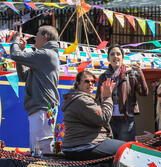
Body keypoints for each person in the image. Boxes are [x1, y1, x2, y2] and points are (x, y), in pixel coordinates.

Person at [10, 25, 60, 155]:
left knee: (42, 149)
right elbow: (23, 77)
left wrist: (15, 41)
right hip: (42, 106)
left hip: (43, 106)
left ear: (44, 37)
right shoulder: (46, 55)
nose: (34, 38)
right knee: (38, 148)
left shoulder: (46, 54)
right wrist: (21, 54)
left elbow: (15, 54)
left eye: (36, 35)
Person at [61, 70, 125, 160]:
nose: (91, 84)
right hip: (83, 146)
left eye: (93, 82)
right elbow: (103, 118)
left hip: (81, 145)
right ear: (78, 84)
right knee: (127, 149)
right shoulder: (81, 100)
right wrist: (107, 98)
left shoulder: (80, 98)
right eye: (87, 81)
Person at [95, 44, 149, 141]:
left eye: (118, 54)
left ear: (122, 58)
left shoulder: (130, 74)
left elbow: (144, 93)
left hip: (126, 120)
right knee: (110, 151)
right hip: (108, 120)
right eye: (112, 54)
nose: (115, 56)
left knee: (124, 148)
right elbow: (98, 98)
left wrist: (140, 74)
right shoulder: (103, 77)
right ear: (108, 58)